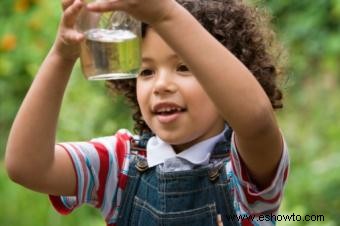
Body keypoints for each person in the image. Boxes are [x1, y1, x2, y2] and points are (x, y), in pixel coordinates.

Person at [5, 0, 289, 225]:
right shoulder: (117, 165)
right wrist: (62, 55)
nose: (162, 85)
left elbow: (256, 121)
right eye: (146, 71)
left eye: (184, 67)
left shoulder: (244, 170)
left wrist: (165, 14)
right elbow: (26, 167)